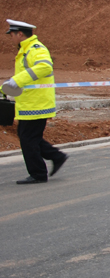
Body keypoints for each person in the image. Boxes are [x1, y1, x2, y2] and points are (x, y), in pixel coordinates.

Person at [1, 20, 68, 184]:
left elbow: (45, 67)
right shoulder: (25, 50)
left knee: (28, 139)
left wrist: (16, 81)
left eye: (11, 34)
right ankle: (56, 156)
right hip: (29, 103)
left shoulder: (35, 49)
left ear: (20, 34)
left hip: (37, 104)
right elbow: (24, 78)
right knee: (28, 137)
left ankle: (38, 174)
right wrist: (6, 87)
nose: (10, 38)